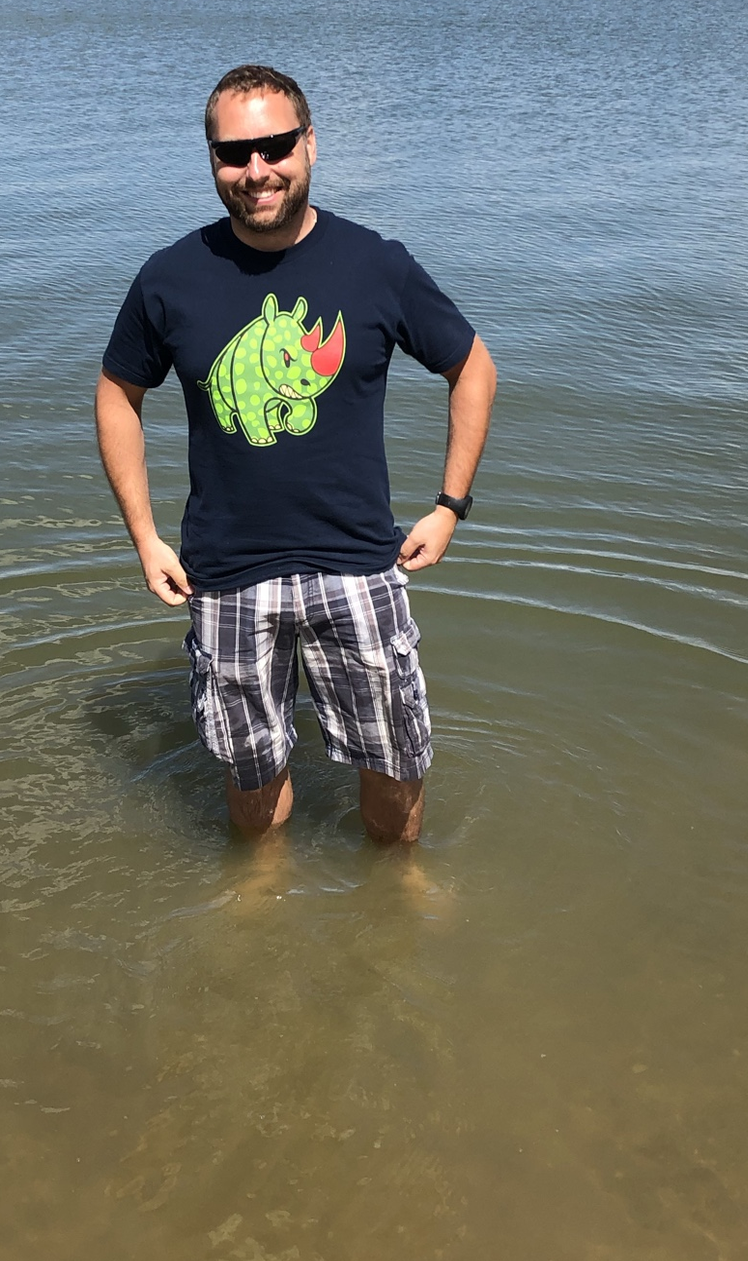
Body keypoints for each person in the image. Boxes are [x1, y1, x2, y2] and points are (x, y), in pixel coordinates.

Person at [95, 63, 496, 847]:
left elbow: (472, 368)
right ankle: (260, 903)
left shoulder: (376, 264)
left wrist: (450, 507)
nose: (256, 171)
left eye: (275, 147)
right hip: (227, 574)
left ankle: (397, 891)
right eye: (233, 154)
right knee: (251, 783)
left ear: (310, 143)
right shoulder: (170, 278)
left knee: (395, 766)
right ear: (213, 160)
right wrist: (144, 537)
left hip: (358, 564)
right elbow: (117, 391)